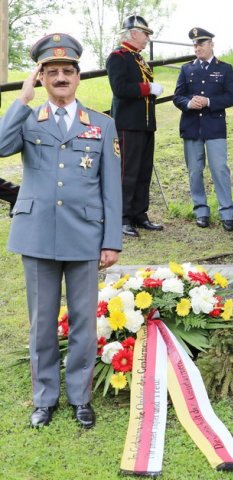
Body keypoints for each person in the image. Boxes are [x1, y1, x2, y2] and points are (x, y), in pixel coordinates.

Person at [0, 34, 122, 428]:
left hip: (85, 235)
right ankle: (44, 398)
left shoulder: (101, 125)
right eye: (50, 72)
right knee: (42, 323)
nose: (60, 77)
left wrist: (111, 240)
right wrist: (22, 98)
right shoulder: (29, 119)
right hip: (36, 234)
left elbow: (112, 188)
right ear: (41, 79)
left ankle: (80, 397)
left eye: (67, 71)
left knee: (85, 323)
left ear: (78, 77)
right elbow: (1, 146)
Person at [173, 27, 233, 231]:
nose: (197, 47)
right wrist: (189, 103)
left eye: (201, 43)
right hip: (192, 127)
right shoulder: (186, 69)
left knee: (219, 169)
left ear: (211, 44)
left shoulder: (225, 68)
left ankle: (227, 212)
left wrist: (209, 101)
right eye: (194, 44)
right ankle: (201, 211)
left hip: (215, 127)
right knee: (194, 171)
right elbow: (178, 96)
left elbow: (231, 97)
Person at [106, 15, 164, 237]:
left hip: (146, 124)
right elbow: (120, 89)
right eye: (145, 34)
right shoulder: (117, 57)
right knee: (127, 174)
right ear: (133, 34)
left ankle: (140, 214)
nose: (147, 38)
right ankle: (122, 218)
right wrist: (147, 88)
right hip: (128, 125)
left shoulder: (139, 59)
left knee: (143, 172)